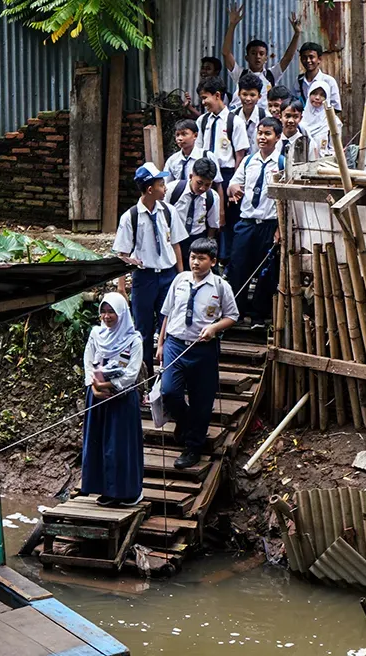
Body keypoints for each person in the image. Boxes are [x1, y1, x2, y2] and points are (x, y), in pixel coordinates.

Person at [156, 238, 239, 470]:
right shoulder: (179, 280)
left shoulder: (221, 287)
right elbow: (167, 313)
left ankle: (193, 447)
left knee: (201, 400)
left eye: (201, 259)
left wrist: (214, 328)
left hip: (203, 350)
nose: (195, 262)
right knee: (169, 391)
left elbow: (232, 316)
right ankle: (184, 422)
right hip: (175, 344)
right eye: (193, 257)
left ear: (212, 261)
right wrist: (161, 344)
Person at [112, 162, 189, 376]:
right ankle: (146, 377)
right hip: (144, 278)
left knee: (170, 326)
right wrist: (121, 287)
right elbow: (123, 254)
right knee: (143, 330)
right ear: (149, 189)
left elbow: (176, 245)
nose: (165, 188)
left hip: (167, 276)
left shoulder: (169, 212)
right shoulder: (131, 217)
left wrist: (181, 277)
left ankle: (169, 375)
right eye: (161, 184)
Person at [81, 293, 145, 507]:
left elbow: (131, 374)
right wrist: (94, 386)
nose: (107, 316)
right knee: (99, 443)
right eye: (104, 311)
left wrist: (106, 386)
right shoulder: (96, 335)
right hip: (98, 397)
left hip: (121, 399)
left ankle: (128, 492)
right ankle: (106, 489)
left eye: (112, 312)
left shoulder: (133, 340)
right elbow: (88, 362)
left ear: (122, 313)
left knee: (120, 445)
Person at [228, 117, 285, 322]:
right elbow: (234, 184)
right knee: (238, 267)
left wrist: (280, 228)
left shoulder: (282, 163)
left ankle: (259, 316)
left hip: (269, 225)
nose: (262, 137)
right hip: (247, 223)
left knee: (267, 271)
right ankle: (236, 313)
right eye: (260, 133)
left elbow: (287, 200)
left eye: (267, 133)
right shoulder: (248, 160)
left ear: (277, 137)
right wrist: (233, 188)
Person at [196, 75, 248, 267]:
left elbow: (240, 155)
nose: (203, 103)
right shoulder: (202, 121)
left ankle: (230, 262)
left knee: (228, 220)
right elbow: (199, 151)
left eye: (205, 97)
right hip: (207, 176)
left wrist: (233, 183)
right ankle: (208, 259)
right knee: (208, 219)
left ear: (217, 95)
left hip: (227, 176)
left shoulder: (235, 121)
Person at [223, 4, 302, 102]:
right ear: (246, 57)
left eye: (261, 54)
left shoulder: (271, 75)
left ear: (266, 58)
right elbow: (226, 53)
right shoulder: (240, 74)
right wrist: (232, 25)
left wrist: (297, 34)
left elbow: (288, 58)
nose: (257, 57)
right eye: (253, 53)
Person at [167, 157, 221, 267]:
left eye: (207, 185)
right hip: (174, 239)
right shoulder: (173, 190)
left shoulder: (212, 197)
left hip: (197, 239)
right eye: (199, 183)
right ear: (191, 176)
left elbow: (212, 226)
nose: (202, 188)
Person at [163, 119, 224, 186]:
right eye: (177, 135)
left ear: (195, 135)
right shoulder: (172, 160)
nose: (180, 138)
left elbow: (218, 183)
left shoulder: (207, 156)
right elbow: (167, 184)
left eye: (184, 134)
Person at [297, 41, 342, 113]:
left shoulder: (328, 81)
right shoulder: (298, 82)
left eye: (311, 57)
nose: (308, 61)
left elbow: (336, 107)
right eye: (304, 57)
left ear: (319, 59)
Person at [301, 81, 341, 157]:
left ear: (327, 98)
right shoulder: (300, 118)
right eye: (314, 93)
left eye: (322, 95)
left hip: (324, 165)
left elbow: (334, 150)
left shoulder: (333, 122)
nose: (317, 98)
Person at [232, 72, 268, 148]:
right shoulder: (231, 117)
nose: (248, 99)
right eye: (244, 94)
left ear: (259, 96)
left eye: (252, 95)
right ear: (238, 94)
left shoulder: (266, 117)